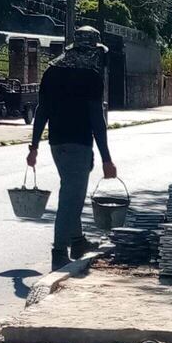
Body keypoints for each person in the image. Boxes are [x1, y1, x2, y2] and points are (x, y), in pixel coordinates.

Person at [27, 26, 117, 271]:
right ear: (94, 50)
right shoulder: (91, 74)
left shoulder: (53, 69)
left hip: (57, 143)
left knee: (71, 192)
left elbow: (41, 110)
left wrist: (34, 146)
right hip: (78, 143)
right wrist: (106, 158)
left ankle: (78, 242)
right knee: (71, 199)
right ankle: (59, 253)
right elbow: (96, 119)